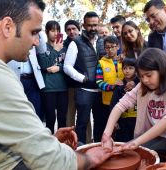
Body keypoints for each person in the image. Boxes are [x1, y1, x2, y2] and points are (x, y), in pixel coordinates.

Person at [0, 0, 112, 169]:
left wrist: (48, 141)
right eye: (34, 33)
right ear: (7, 27)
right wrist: (90, 158)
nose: (37, 42)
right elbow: (52, 161)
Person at [64, 11, 105, 144]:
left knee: (100, 123)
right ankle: (81, 151)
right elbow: (67, 67)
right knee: (82, 123)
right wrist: (83, 78)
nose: (93, 28)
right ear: (83, 25)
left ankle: (100, 150)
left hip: (101, 91)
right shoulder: (75, 43)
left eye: (95, 25)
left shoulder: (103, 42)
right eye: (89, 25)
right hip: (84, 91)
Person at [37, 20, 68, 134]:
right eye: (52, 30)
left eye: (58, 30)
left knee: (62, 119)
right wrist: (55, 50)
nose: (55, 33)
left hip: (63, 88)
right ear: (46, 32)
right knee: (50, 119)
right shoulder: (42, 47)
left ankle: (62, 144)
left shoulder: (64, 47)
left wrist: (59, 68)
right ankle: (50, 146)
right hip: (48, 88)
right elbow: (44, 65)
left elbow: (69, 65)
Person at [7, 32, 46, 121]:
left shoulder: (33, 34)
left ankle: (36, 133)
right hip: (15, 79)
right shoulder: (10, 32)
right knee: (17, 111)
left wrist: (37, 31)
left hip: (33, 80)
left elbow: (43, 50)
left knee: (35, 111)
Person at [95, 36, 124, 137]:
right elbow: (99, 81)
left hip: (123, 100)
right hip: (107, 101)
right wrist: (111, 86)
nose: (110, 50)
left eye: (112, 47)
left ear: (118, 47)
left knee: (122, 127)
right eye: (107, 47)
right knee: (109, 126)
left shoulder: (123, 61)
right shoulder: (101, 63)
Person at [109, 57, 139, 142]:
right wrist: (115, 121)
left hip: (137, 121)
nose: (127, 71)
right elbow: (113, 104)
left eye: (130, 68)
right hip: (123, 121)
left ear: (136, 70)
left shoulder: (140, 85)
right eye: (125, 68)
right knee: (122, 144)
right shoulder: (119, 87)